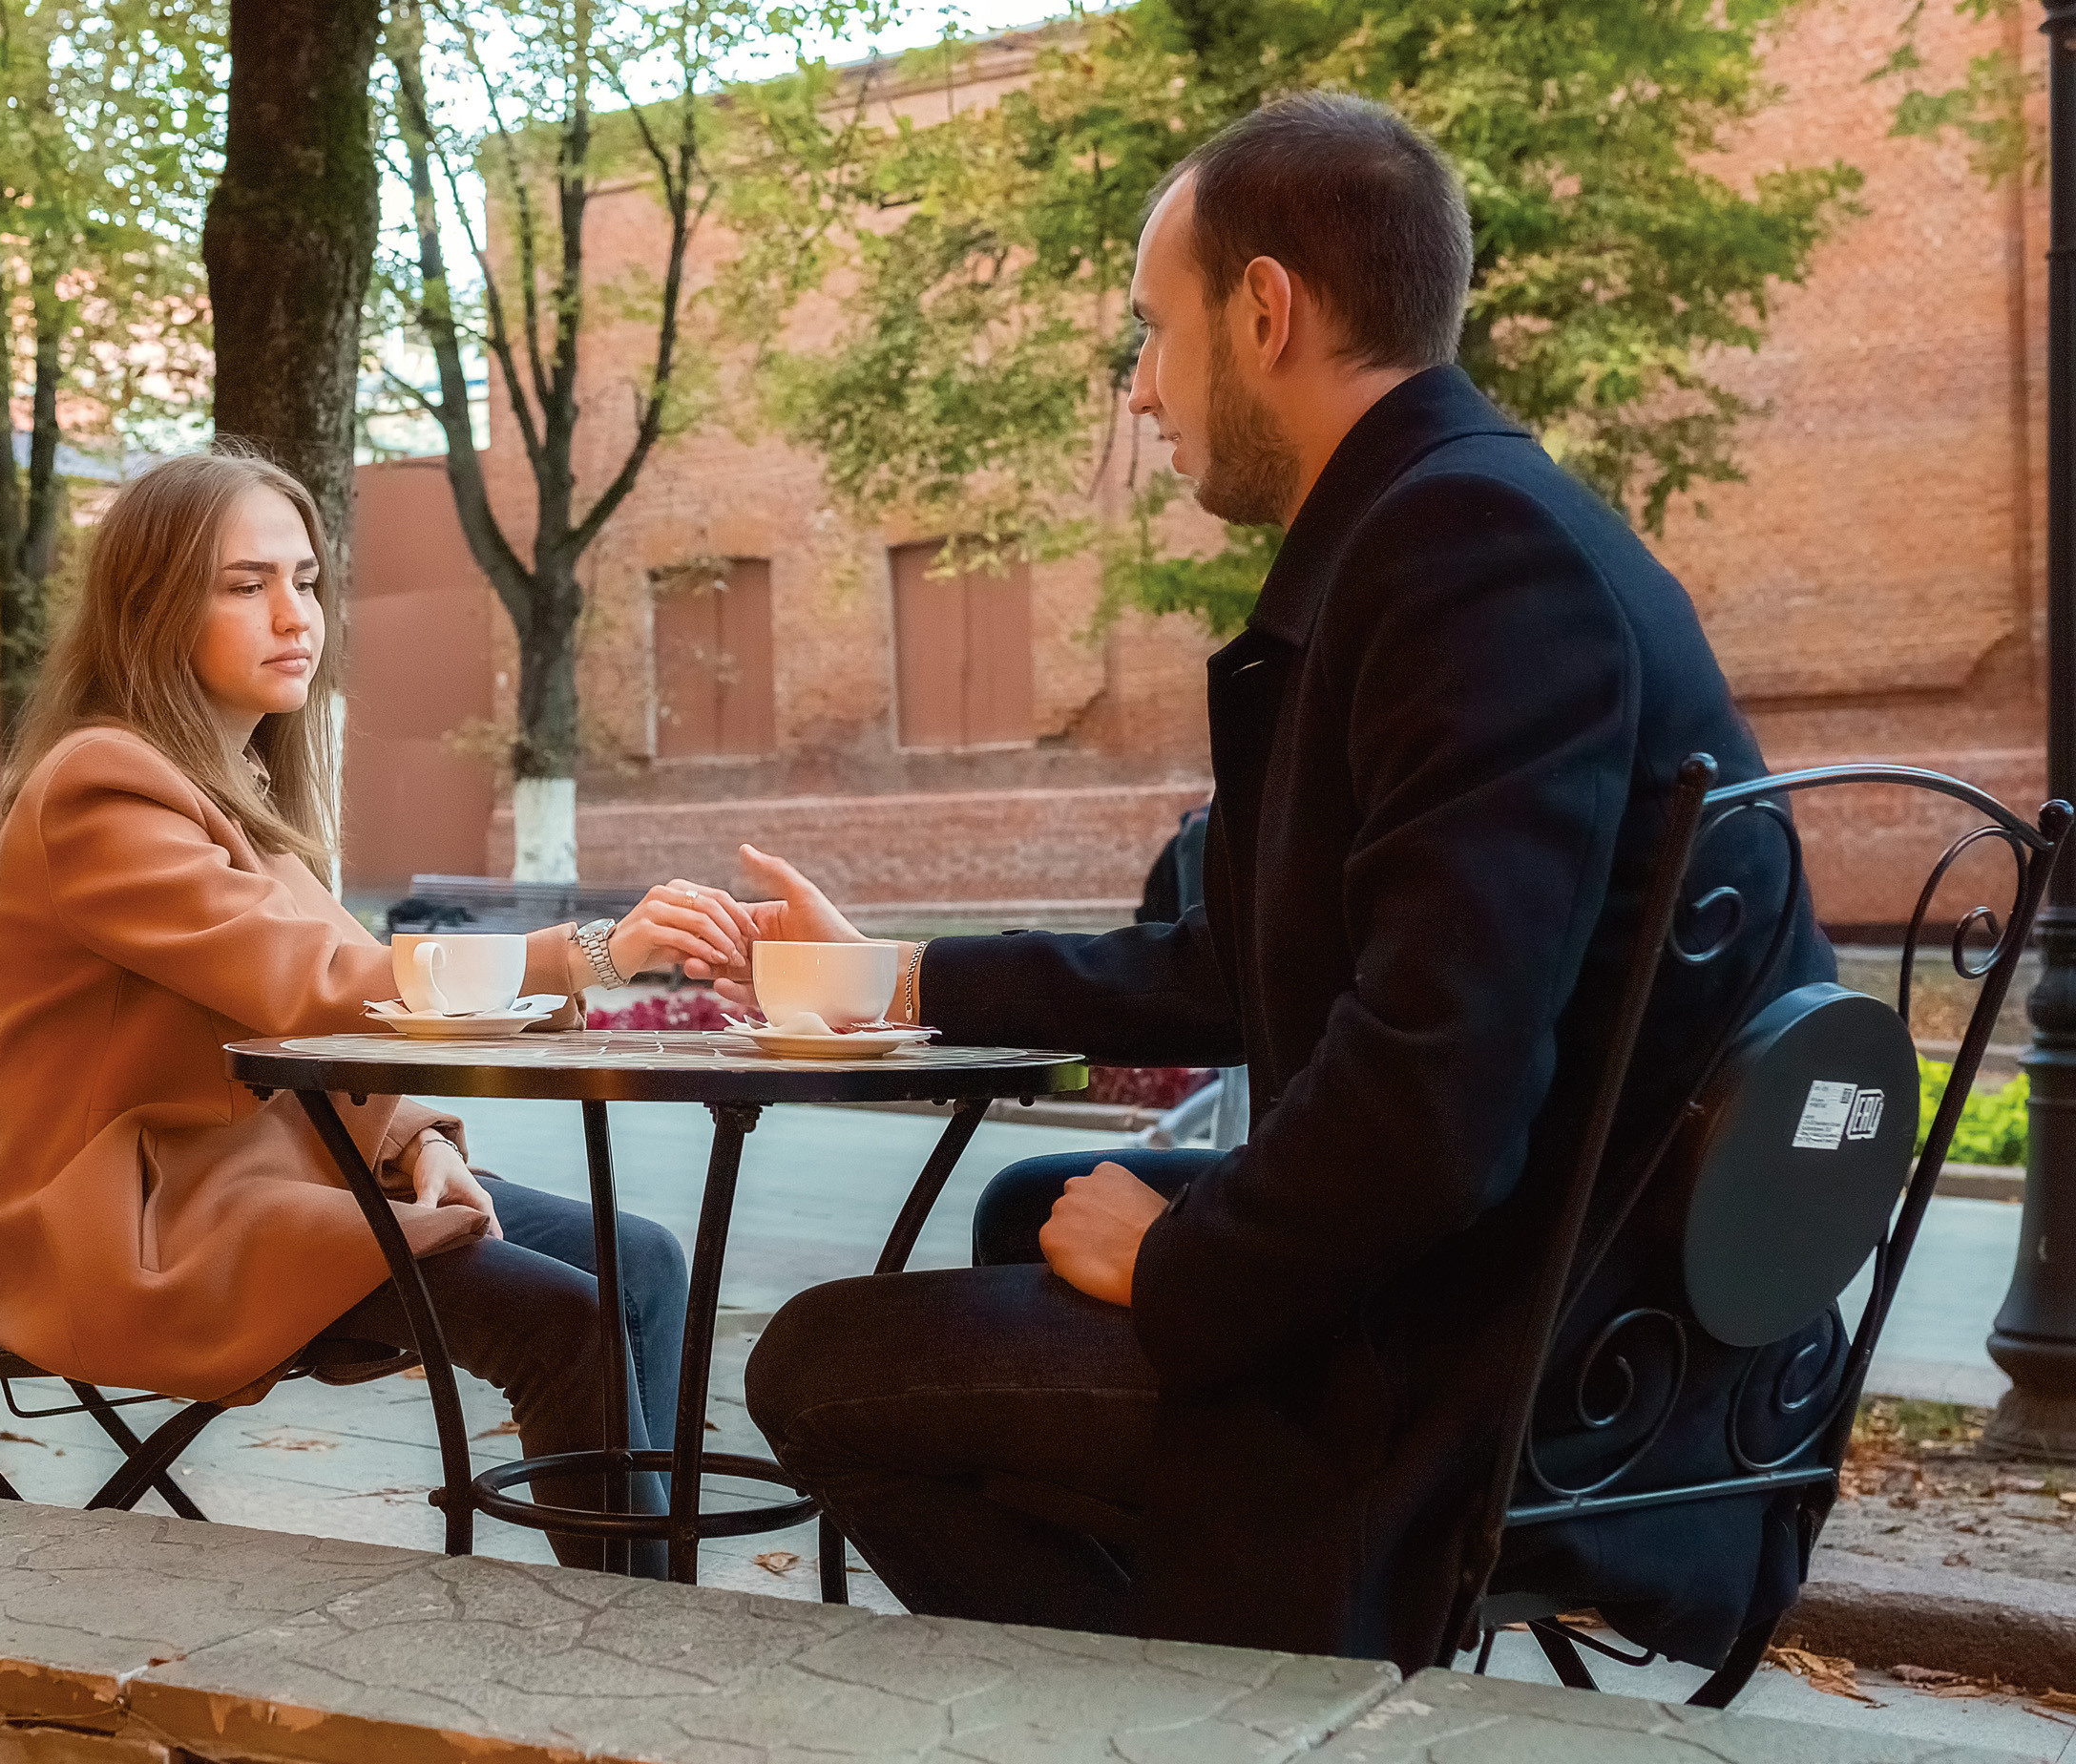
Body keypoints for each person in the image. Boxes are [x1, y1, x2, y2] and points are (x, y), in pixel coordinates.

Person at [734, 92, 1833, 1669]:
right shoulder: (1451, 521)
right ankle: (1198, 1647)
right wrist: (889, 977)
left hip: (1512, 1363)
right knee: (1035, 1205)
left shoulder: (1467, 559)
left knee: (819, 1368)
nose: (1141, 386)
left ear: (1264, 312)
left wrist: (1184, 1265)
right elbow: (1231, 959)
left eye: (1153, 330)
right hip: (1545, 1276)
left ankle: (1234, 1707)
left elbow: (1436, 1099)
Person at [0, 450, 755, 1574]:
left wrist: (416, 1143)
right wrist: (589, 952)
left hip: (268, 1186)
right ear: (151, 607)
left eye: (305, 581)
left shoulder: (221, 786)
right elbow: (314, 985)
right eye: (245, 585)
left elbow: (321, 1005)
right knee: (563, 1320)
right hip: (141, 1228)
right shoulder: (104, 789)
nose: (294, 616)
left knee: (639, 1261)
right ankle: (622, 1636)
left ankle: (655, 1598)